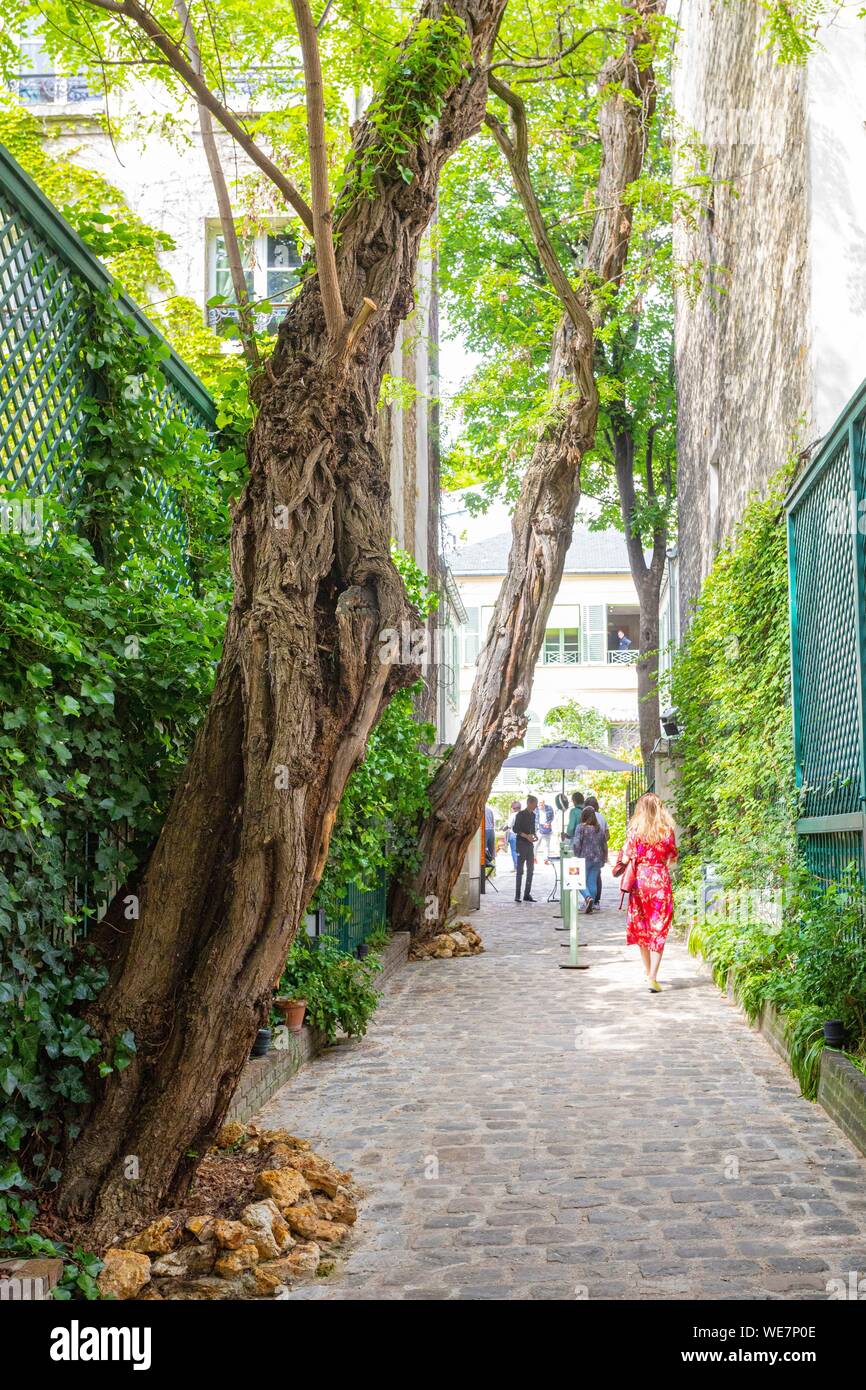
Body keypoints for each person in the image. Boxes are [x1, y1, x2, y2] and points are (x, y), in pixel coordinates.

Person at [622, 791, 678, 993]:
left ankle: (648, 974)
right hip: (660, 880)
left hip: (640, 882)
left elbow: (626, 857)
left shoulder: (635, 830)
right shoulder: (666, 830)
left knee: (642, 926)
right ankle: (653, 976)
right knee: (658, 927)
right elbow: (672, 857)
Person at [572, 806, 608, 915]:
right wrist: (604, 857)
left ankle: (588, 898)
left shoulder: (580, 827)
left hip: (584, 858)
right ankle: (590, 904)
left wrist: (576, 854)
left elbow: (576, 843)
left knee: (579, 881)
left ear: (583, 816)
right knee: (592, 882)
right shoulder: (599, 828)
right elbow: (604, 844)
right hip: (597, 859)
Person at [512, 795, 539, 903]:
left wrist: (534, 835)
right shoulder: (520, 814)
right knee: (520, 870)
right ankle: (517, 895)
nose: (536, 806)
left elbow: (532, 829)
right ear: (529, 803)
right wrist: (526, 836)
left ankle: (527, 894)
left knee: (531, 869)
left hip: (529, 844)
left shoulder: (533, 815)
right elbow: (515, 829)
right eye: (535, 804)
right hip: (521, 844)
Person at [584, 796, 608, 905]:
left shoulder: (586, 818)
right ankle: (596, 901)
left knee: (584, 878)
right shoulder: (602, 817)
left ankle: (588, 898)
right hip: (599, 851)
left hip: (587, 853)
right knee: (596, 876)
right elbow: (607, 835)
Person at [505, 799, 522, 871]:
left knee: (514, 851)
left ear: (513, 808)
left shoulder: (513, 815)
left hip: (514, 835)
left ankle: (517, 867)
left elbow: (509, 825)